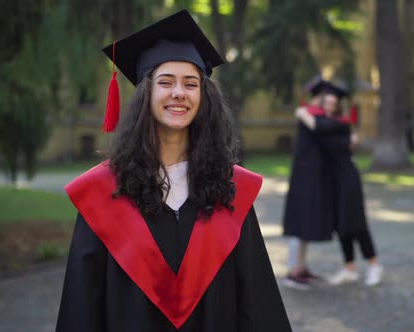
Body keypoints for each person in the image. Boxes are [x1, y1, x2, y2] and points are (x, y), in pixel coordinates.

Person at [55, 10, 291, 331]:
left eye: (191, 83)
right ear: (146, 93)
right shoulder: (104, 191)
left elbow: (255, 299)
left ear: (202, 97)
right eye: (166, 82)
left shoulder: (230, 188)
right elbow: (82, 306)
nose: (179, 92)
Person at [295, 82, 383, 287]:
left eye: (333, 102)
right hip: (332, 180)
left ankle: (374, 265)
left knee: (357, 223)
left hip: (347, 178)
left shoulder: (339, 123)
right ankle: (350, 268)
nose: (329, 105)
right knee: (342, 225)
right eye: (326, 101)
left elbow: (318, 125)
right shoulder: (323, 121)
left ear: (337, 106)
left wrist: (302, 112)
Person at [281, 79, 346, 289]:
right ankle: (292, 271)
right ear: (317, 98)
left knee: (306, 223)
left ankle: (301, 267)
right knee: (299, 223)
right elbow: (316, 125)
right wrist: (303, 113)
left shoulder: (314, 117)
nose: (325, 102)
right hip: (304, 178)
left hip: (314, 178)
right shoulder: (309, 116)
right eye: (322, 98)